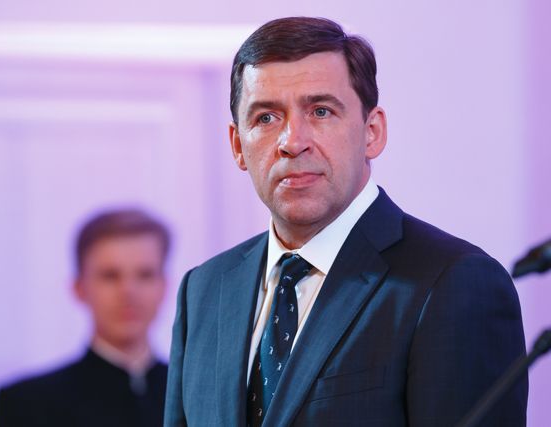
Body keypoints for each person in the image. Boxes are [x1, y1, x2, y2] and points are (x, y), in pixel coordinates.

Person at [164, 17, 527, 427]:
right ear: (237, 145)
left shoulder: (454, 283)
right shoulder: (204, 290)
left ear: (372, 132)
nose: (292, 141)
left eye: (321, 111)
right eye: (266, 118)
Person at [0, 208, 171, 427]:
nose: (128, 292)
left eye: (145, 275)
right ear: (79, 288)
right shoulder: (27, 405)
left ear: (165, 286)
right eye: (110, 276)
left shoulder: (193, 398)